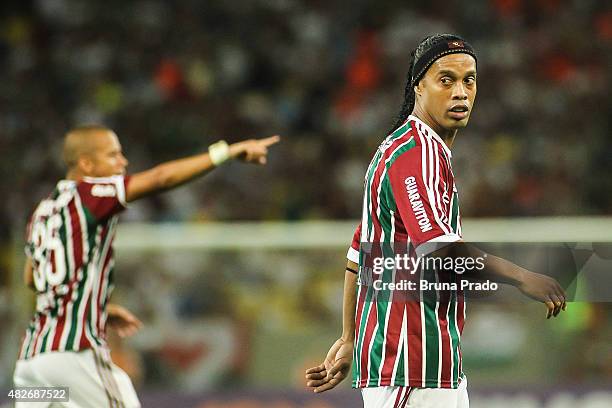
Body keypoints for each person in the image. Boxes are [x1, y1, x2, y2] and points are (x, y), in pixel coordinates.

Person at [305, 34, 566, 408]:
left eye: (469, 80)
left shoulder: (414, 150)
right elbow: (440, 251)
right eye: (446, 79)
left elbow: (359, 250)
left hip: (433, 365)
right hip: (411, 366)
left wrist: (349, 338)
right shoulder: (415, 154)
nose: (460, 91)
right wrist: (522, 277)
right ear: (418, 86)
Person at [13, 126, 280, 407]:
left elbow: (32, 277)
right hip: (73, 358)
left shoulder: (42, 211)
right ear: (86, 164)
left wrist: (95, 306)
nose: (123, 162)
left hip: (33, 363)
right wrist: (225, 152)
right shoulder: (89, 196)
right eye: (113, 155)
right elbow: (160, 178)